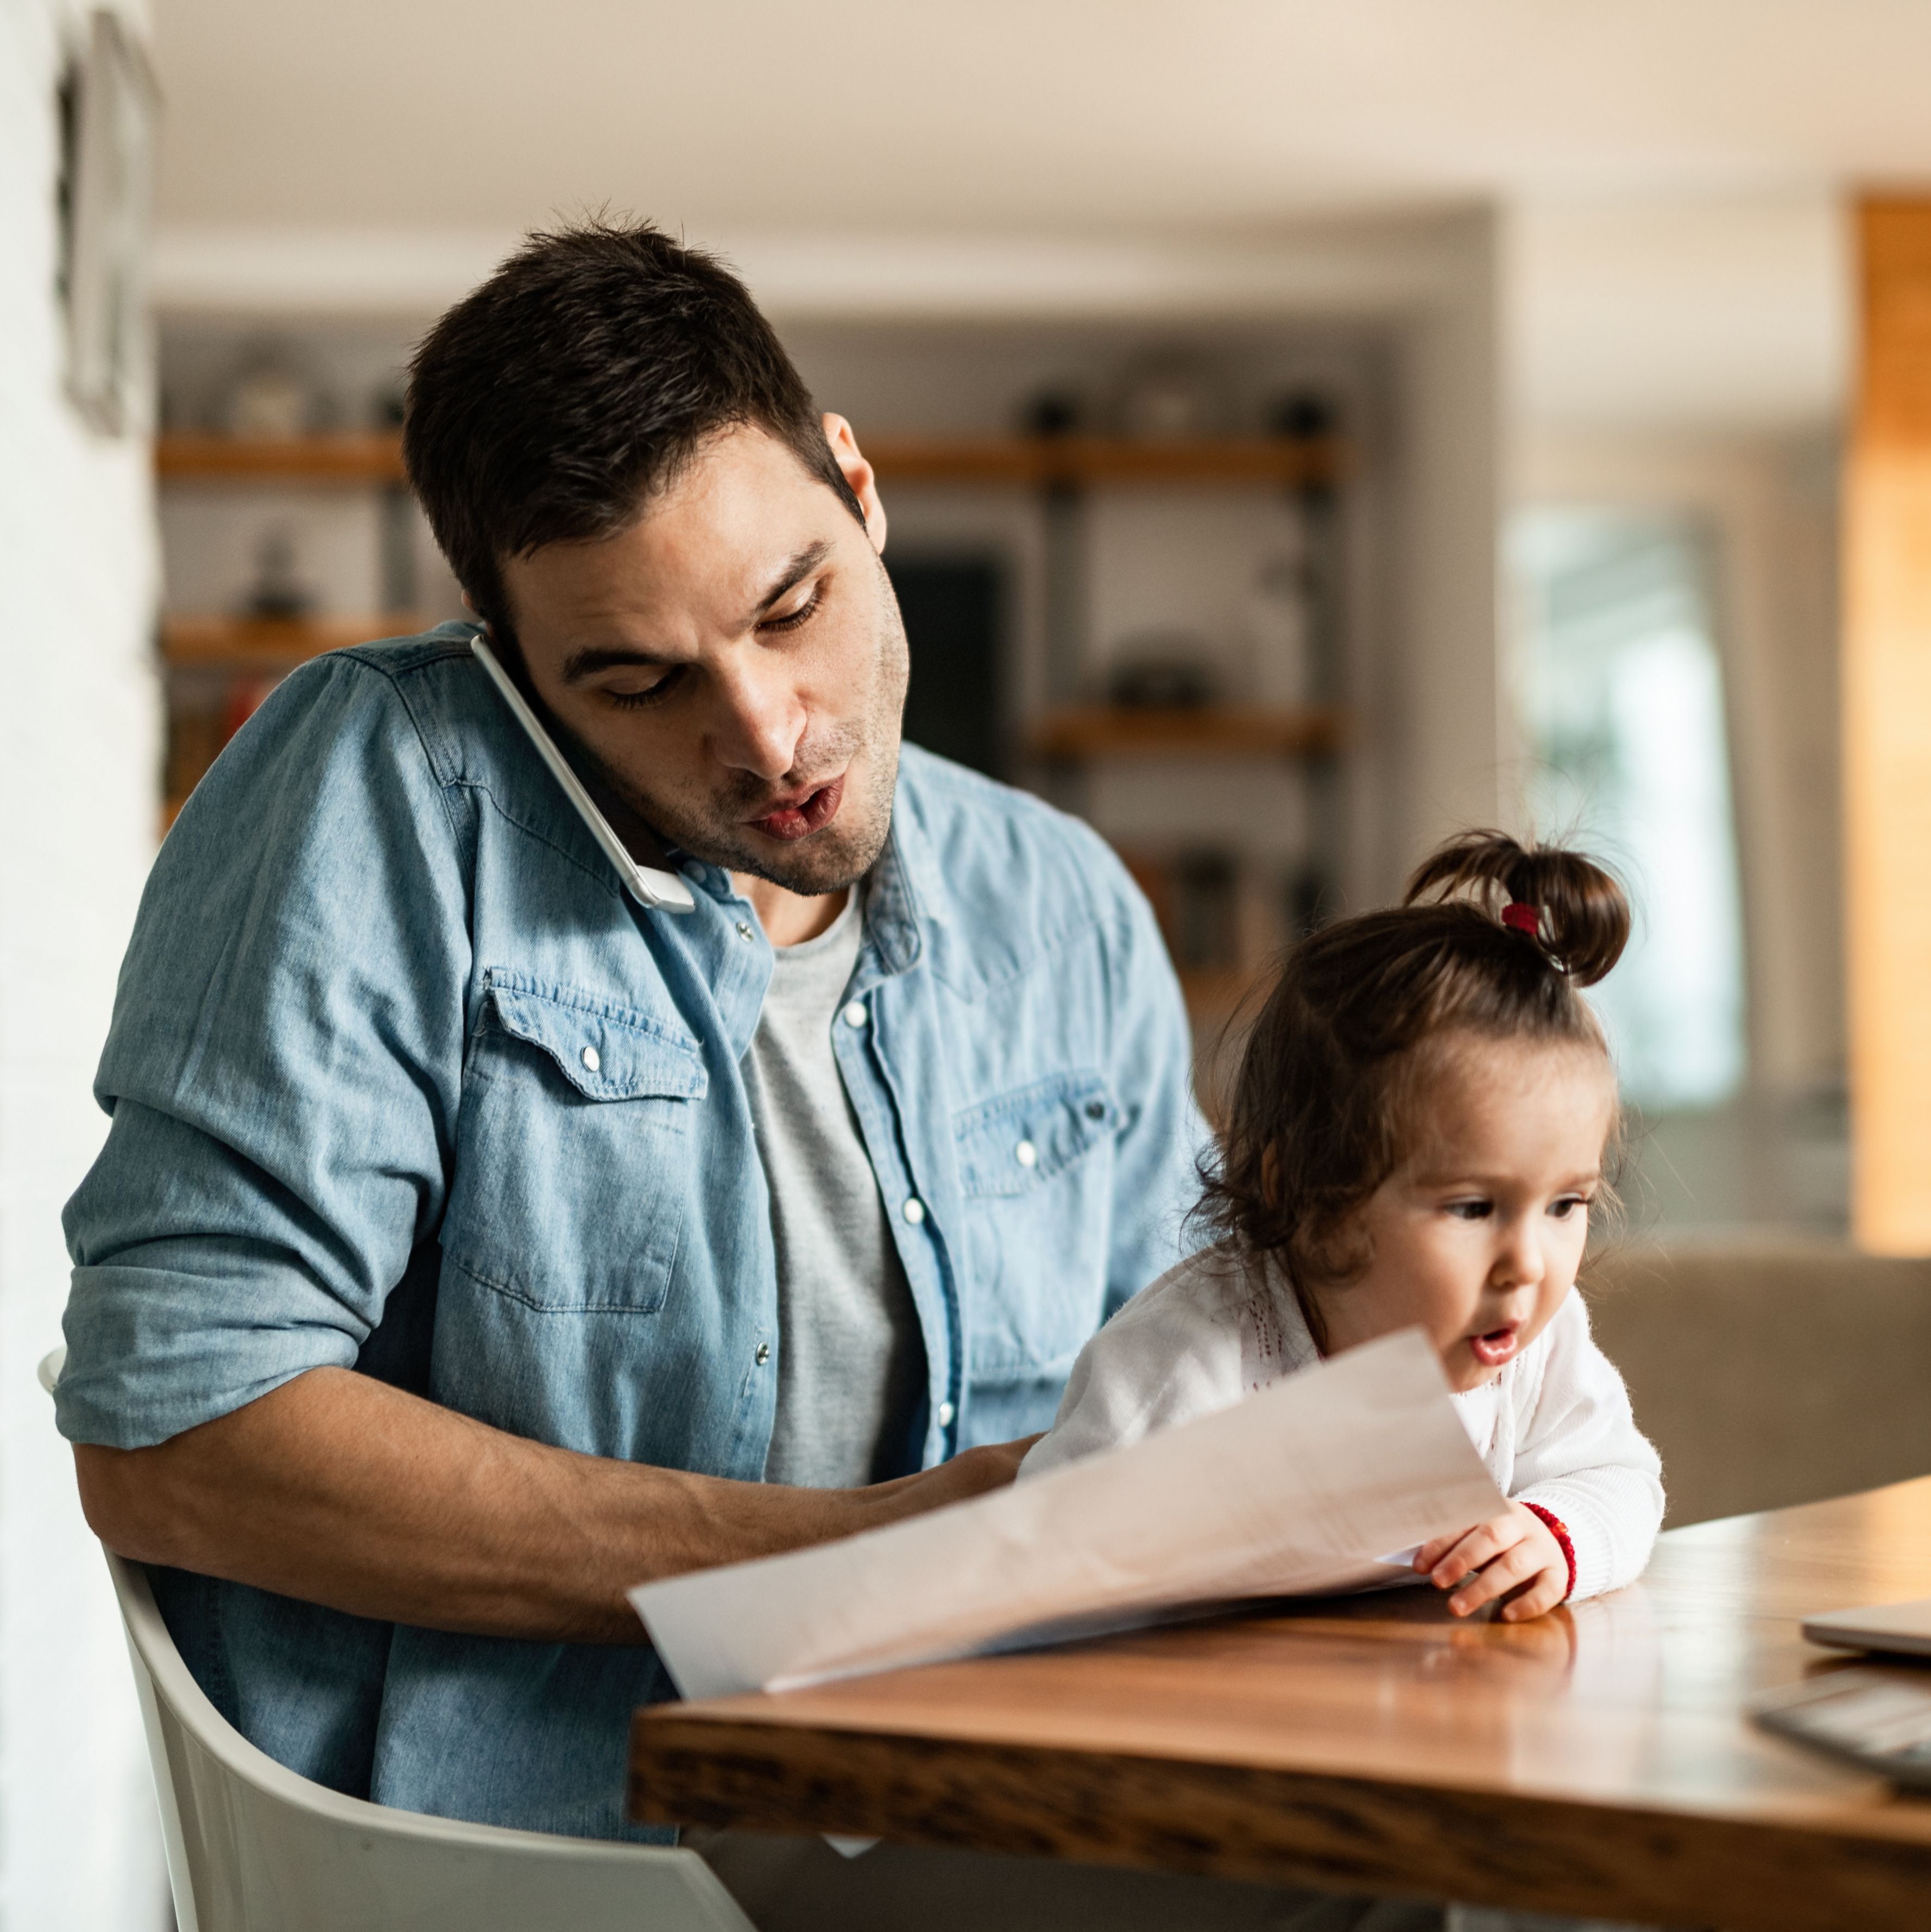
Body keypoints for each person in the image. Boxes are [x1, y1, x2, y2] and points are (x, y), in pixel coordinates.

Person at [54, 222, 1207, 1843]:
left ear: (859, 487)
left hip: (976, 1804)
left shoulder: (1061, 902)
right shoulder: (385, 787)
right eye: (635, 681)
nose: (765, 731)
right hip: (540, 1855)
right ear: (515, 669)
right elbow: (179, 1428)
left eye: (791, 605)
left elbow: (1202, 1375)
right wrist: (855, 1553)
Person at [1022, 831, 1665, 1620]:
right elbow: (1038, 1572)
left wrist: (1554, 1535)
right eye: (1473, 1207)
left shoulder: (1538, 1345)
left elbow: (1622, 1478)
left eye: (1566, 1204)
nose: (1528, 1265)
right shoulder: (1184, 1367)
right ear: (1309, 1199)